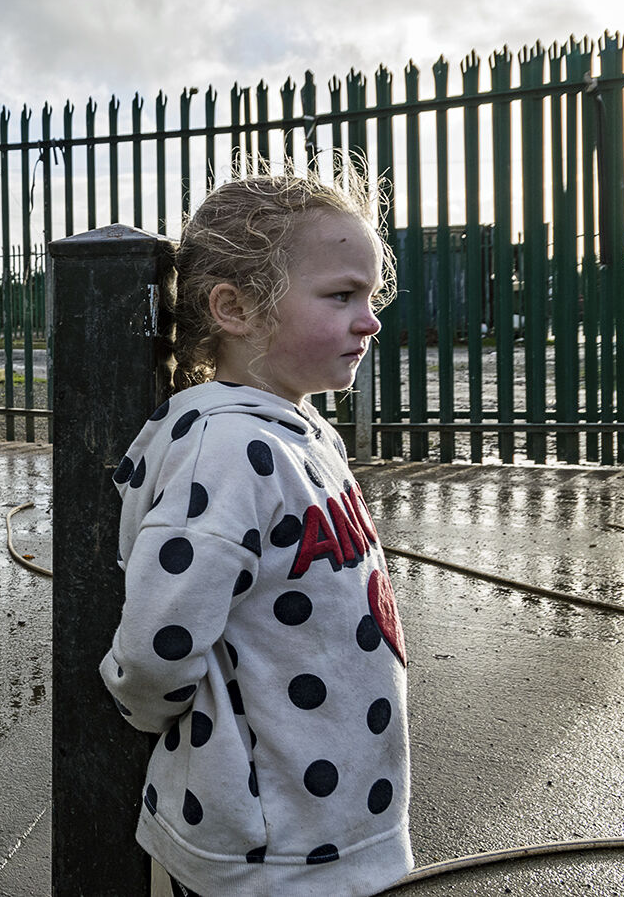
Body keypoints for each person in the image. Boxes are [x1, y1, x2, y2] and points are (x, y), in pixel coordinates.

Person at [100, 170, 411, 897]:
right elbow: (155, 649)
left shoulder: (306, 434)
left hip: (330, 823)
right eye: (341, 296)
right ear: (235, 308)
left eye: (370, 296)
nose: (370, 320)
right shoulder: (229, 451)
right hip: (266, 848)